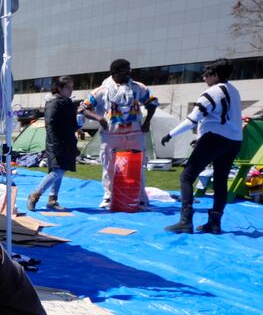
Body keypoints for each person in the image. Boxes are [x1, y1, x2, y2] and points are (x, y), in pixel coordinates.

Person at [161, 59, 243, 234]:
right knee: (221, 181)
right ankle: (215, 223)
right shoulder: (234, 91)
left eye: (206, 74)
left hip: (215, 139)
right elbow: (224, 119)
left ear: (215, 75)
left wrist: (170, 134)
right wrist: (201, 138)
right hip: (234, 141)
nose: (204, 77)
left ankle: (185, 221)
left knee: (186, 177)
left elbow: (193, 119)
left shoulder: (212, 92)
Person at [79, 59, 158, 209]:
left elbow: (152, 103)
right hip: (111, 135)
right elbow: (83, 108)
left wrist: (147, 122)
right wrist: (99, 118)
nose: (129, 72)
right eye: (125, 70)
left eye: (129, 69)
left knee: (138, 166)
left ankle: (140, 198)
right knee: (109, 166)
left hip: (134, 134)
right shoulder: (101, 91)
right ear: (115, 72)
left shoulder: (138, 88)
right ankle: (109, 196)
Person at [28, 76, 80, 211]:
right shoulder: (54, 103)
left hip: (66, 142)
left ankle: (52, 199)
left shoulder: (67, 102)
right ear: (59, 88)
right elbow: (51, 125)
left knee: (59, 171)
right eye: (68, 87)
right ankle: (35, 195)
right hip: (57, 143)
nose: (71, 90)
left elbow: (72, 125)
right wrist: (56, 144)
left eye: (72, 87)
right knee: (57, 171)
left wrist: (78, 122)